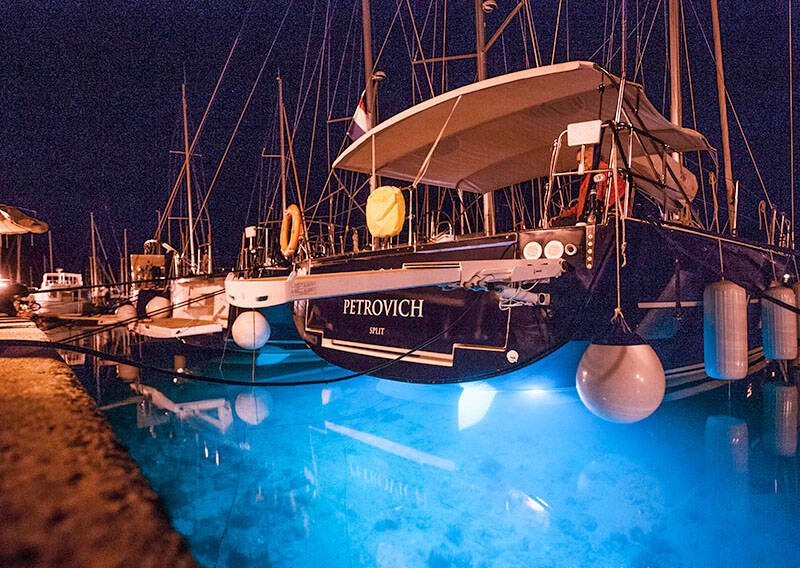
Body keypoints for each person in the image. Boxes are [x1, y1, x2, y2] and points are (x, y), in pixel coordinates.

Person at [551, 146, 625, 226]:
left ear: (594, 157)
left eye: (584, 159)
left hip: (607, 216)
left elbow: (597, 200)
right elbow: (581, 204)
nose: (581, 164)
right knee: (558, 221)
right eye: (579, 162)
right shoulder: (590, 175)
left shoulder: (601, 170)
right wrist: (562, 216)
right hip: (595, 214)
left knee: (557, 224)